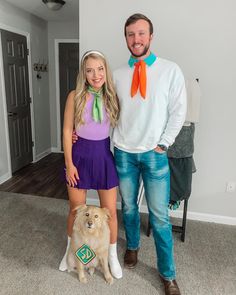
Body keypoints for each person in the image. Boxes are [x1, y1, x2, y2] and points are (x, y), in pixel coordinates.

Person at [111, 14, 186, 295]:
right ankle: (132, 247)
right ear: (126, 38)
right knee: (128, 207)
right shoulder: (116, 74)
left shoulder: (170, 70)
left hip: (154, 154)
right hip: (124, 153)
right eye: (131, 34)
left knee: (160, 218)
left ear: (151, 37)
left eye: (141, 33)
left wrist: (165, 143)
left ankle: (168, 275)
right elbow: (110, 113)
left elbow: (179, 110)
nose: (136, 39)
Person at [59, 50, 123, 279]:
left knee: (110, 213)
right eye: (90, 70)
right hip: (79, 157)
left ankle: (112, 256)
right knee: (76, 211)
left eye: (100, 69)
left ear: (105, 70)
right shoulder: (74, 95)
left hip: (103, 156)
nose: (95, 75)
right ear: (83, 74)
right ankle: (73, 252)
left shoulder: (112, 96)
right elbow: (67, 130)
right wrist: (69, 164)